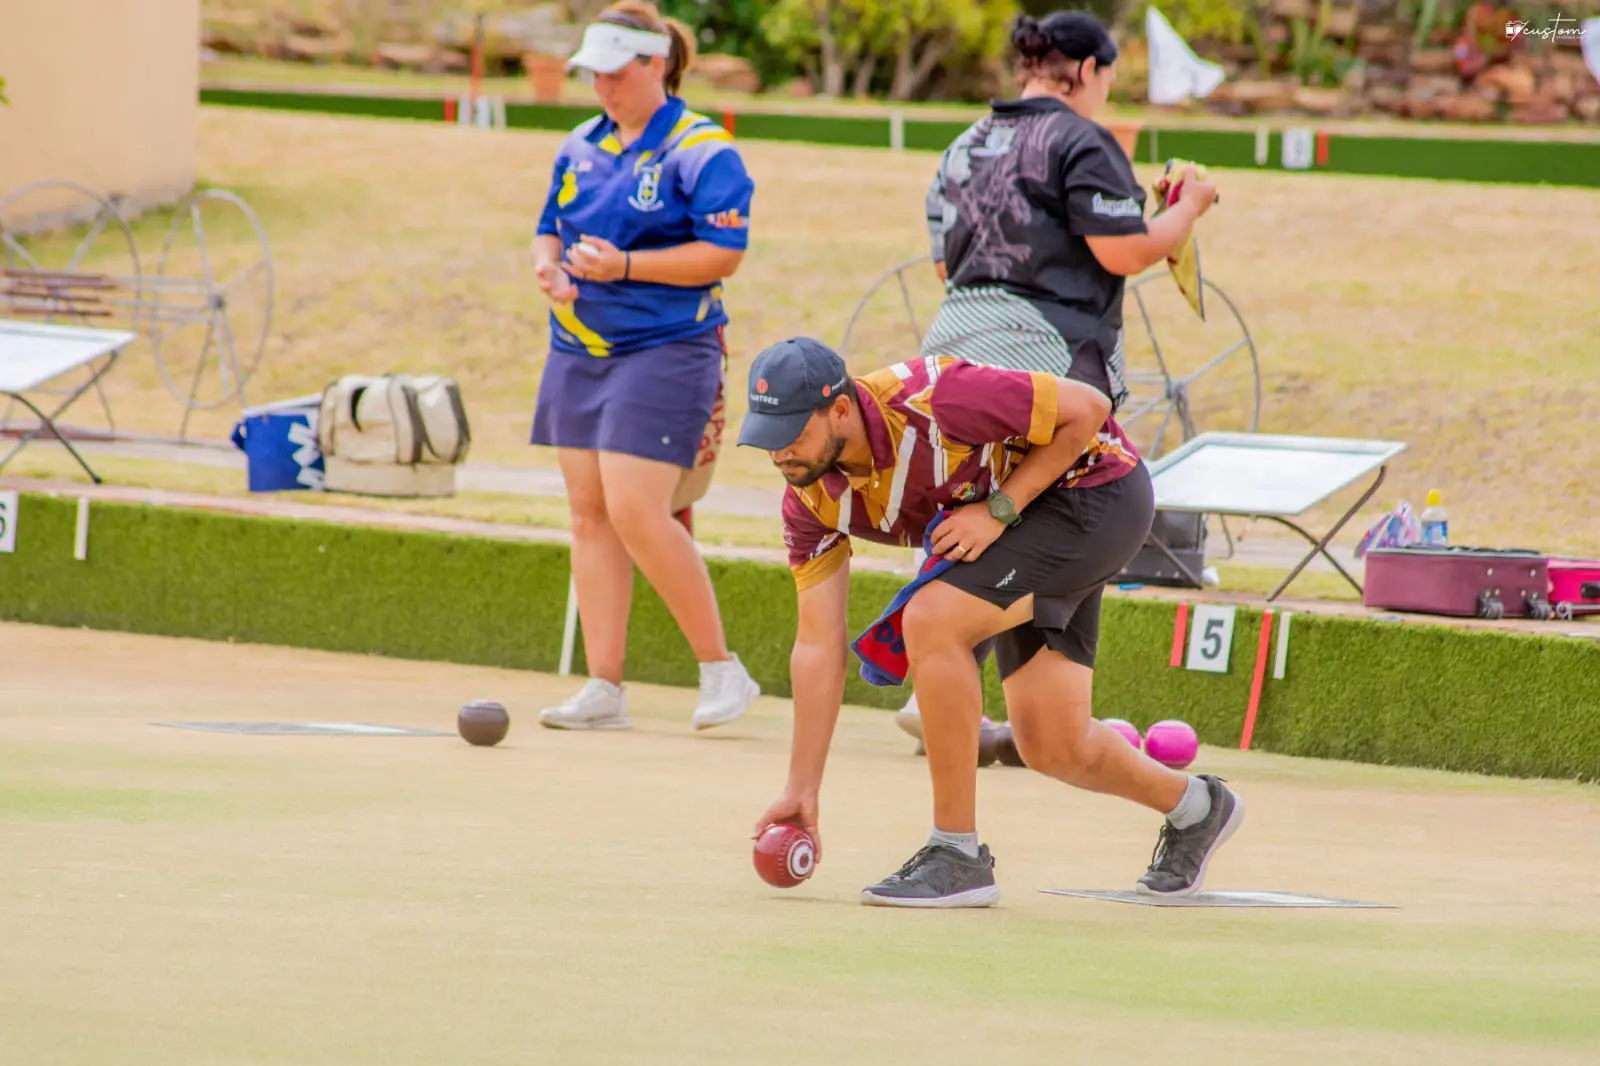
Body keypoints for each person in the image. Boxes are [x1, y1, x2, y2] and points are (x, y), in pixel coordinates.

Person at [739, 336, 1245, 907]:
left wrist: (999, 509)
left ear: (839, 409)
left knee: (931, 619)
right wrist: (801, 791)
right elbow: (817, 647)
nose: (782, 456)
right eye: (767, 441)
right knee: (1051, 744)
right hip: (1021, 531)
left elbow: (1088, 408)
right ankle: (1198, 808)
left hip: (1095, 493)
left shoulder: (934, 397)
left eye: (791, 436)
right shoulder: (809, 501)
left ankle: (956, 853)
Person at [893, 9, 1219, 745]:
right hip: (1047, 352)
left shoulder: (961, 145)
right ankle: (991, 688)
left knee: (971, 504)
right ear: (1092, 71)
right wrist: (1189, 210)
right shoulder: (1081, 140)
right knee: (1069, 497)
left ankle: (964, 685)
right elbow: (1123, 253)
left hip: (953, 351)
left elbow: (948, 266)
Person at [529, 0, 760, 732]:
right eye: (591, 74)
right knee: (589, 513)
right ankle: (605, 687)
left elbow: (723, 254)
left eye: (613, 73)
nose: (600, 87)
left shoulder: (704, 148)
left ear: (653, 65)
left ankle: (723, 669)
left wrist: (626, 265)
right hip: (576, 349)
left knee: (635, 508)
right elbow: (545, 229)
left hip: (668, 349)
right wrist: (548, 270)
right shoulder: (579, 143)